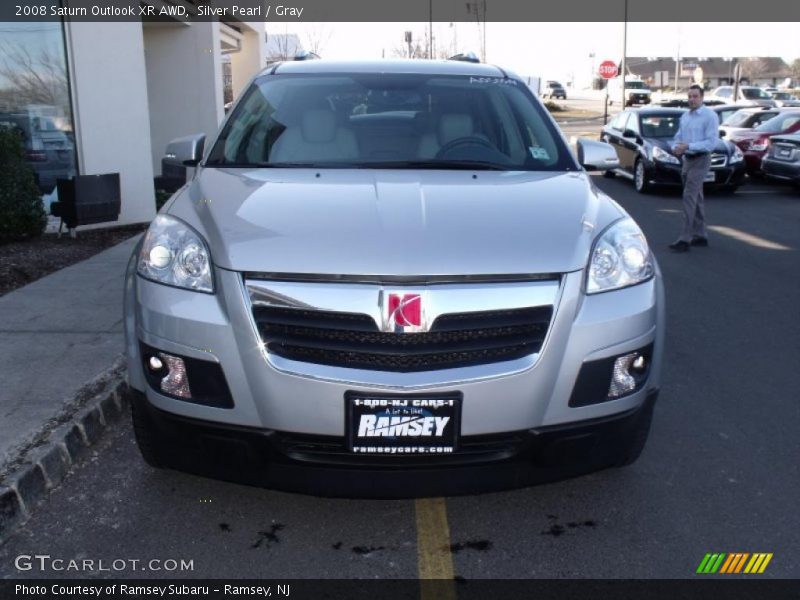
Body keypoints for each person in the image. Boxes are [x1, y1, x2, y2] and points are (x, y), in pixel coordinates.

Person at [669, 84, 719, 252]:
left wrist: (688, 145)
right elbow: (677, 137)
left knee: (689, 197)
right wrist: (675, 147)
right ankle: (701, 235)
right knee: (696, 198)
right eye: (689, 96)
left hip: (701, 159)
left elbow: (711, 143)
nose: (691, 99)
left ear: (702, 97)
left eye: (695, 96)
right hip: (687, 160)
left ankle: (685, 238)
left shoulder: (709, 116)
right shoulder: (685, 117)